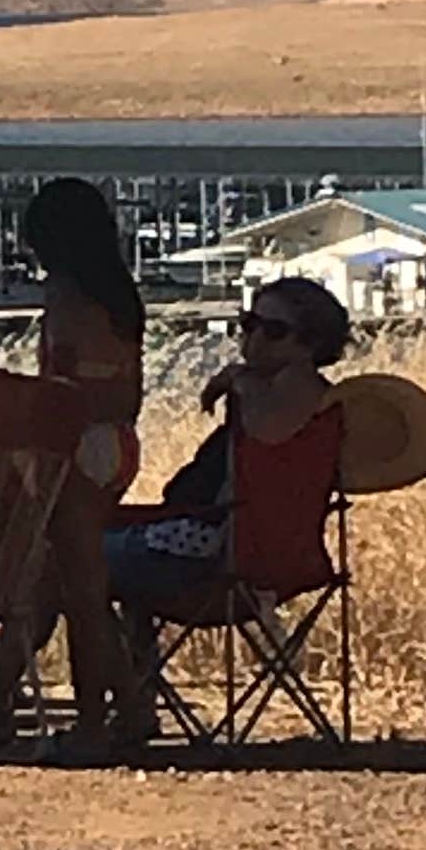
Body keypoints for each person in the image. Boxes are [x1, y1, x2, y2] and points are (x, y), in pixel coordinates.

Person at [103, 273, 352, 741]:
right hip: (212, 544)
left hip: (219, 555)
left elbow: (268, 430)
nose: (253, 339)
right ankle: (132, 699)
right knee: (88, 555)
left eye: (273, 330)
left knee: (73, 566)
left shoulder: (297, 390)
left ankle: (118, 706)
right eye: (248, 323)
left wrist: (239, 381)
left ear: (310, 344)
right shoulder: (281, 389)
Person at [0, 174, 147, 749]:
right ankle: (118, 706)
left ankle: (91, 723)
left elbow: (61, 387)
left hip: (75, 445)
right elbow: (125, 392)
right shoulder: (119, 295)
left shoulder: (65, 295)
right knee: (56, 580)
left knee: (83, 592)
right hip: (118, 442)